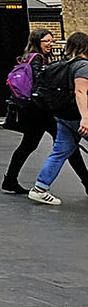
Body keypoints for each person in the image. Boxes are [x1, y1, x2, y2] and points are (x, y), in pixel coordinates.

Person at [2, 29, 87, 197]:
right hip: (42, 112)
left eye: (51, 41)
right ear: (37, 42)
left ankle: (10, 179)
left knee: (30, 145)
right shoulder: (38, 59)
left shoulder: (28, 57)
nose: (50, 44)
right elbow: (41, 86)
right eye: (46, 41)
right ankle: (86, 181)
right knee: (66, 146)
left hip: (32, 111)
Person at [27, 31, 88, 206]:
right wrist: (85, 118)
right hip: (78, 116)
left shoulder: (63, 66)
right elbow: (80, 91)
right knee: (60, 152)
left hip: (63, 116)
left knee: (59, 153)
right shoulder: (83, 66)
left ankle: (40, 189)